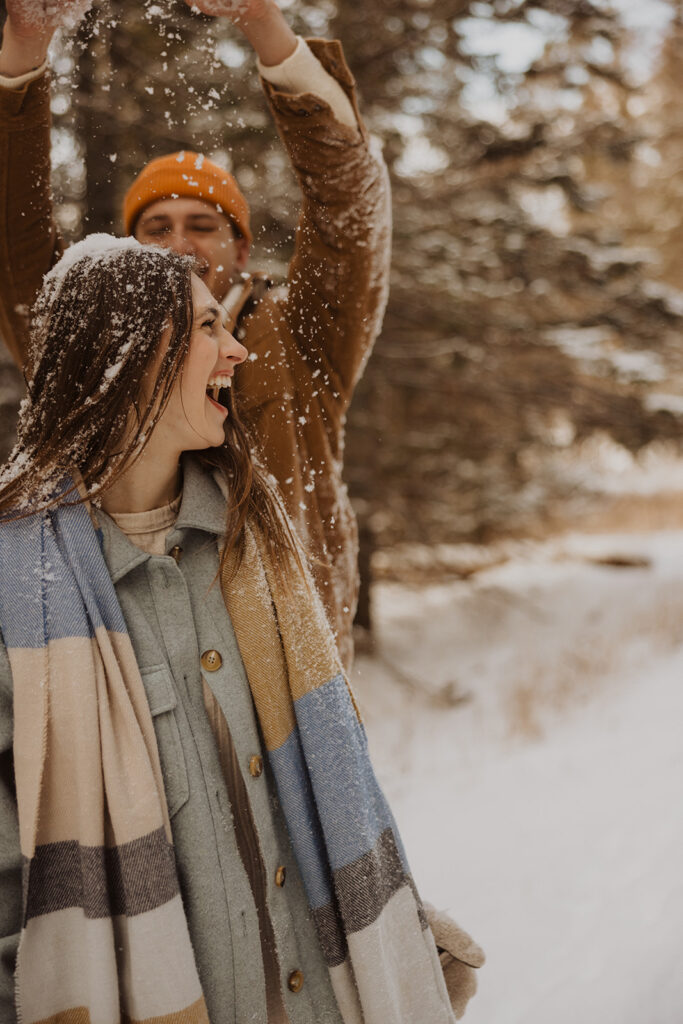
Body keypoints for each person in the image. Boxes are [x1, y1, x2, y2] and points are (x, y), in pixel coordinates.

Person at [0, 238, 482, 1023]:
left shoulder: (257, 547)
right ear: (127, 353)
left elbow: (324, 802)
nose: (237, 348)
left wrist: (396, 949)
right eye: (203, 329)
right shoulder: (18, 596)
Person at [0, 0, 392, 669]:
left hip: (289, 674)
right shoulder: (94, 345)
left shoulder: (302, 334)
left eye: (202, 225)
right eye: (156, 228)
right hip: (137, 678)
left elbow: (347, 204)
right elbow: (15, 234)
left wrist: (263, 25)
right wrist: (25, 51)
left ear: (241, 248)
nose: (178, 245)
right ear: (129, 251)